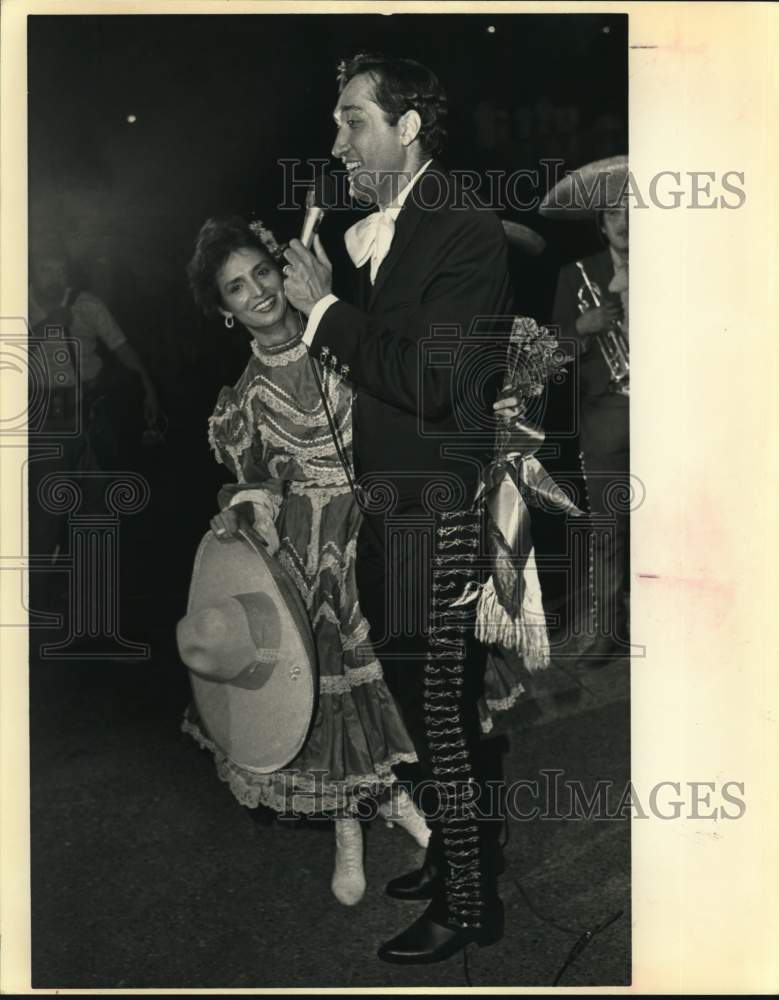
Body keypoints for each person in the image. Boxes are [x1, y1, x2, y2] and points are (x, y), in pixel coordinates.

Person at [283, 53, 513, 963]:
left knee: (444, 711)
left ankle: (469, 903)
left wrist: (325, 312)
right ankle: (464, 850)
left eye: (353, 121)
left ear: (407, 127)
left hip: (443, 510)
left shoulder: (461, 225)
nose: (336, 139)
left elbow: (431, 379)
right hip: (396, 504)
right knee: (426, 701)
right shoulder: (383, 226)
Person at [182, 215, 431, 908]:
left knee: (402, 684)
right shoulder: (244, 397)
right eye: (236, 288)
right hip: (312, 556)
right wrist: (250, 503)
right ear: (226, 311)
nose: (257, 291)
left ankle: (401, 797)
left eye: (262, 272)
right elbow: (251, 478)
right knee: (330, 693)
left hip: (381, 531)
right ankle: (347, 825)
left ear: (284, 270)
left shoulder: (341, 339)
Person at [539, 156, 630, 666]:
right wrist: (582, 327)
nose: (626, 224)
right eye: (615, 214)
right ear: (601, 223)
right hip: (606, 418)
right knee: (606, 531)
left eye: (635, 212)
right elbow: (550, 350)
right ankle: (605, 629)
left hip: (672, 414)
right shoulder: (574, 274)